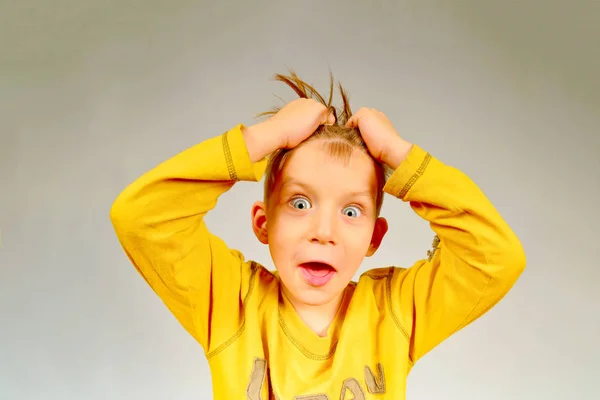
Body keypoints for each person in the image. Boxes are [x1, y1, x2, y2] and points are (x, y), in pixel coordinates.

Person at [110, 71, 526, 399]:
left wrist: (400, 155)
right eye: (300, 204)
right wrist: (266, 138)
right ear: (263, 222)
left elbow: (496, 257)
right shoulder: (230, 302)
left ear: (374, 238)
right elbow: (141, 216)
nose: (323, 232)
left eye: (350, 211)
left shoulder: (394, 312)